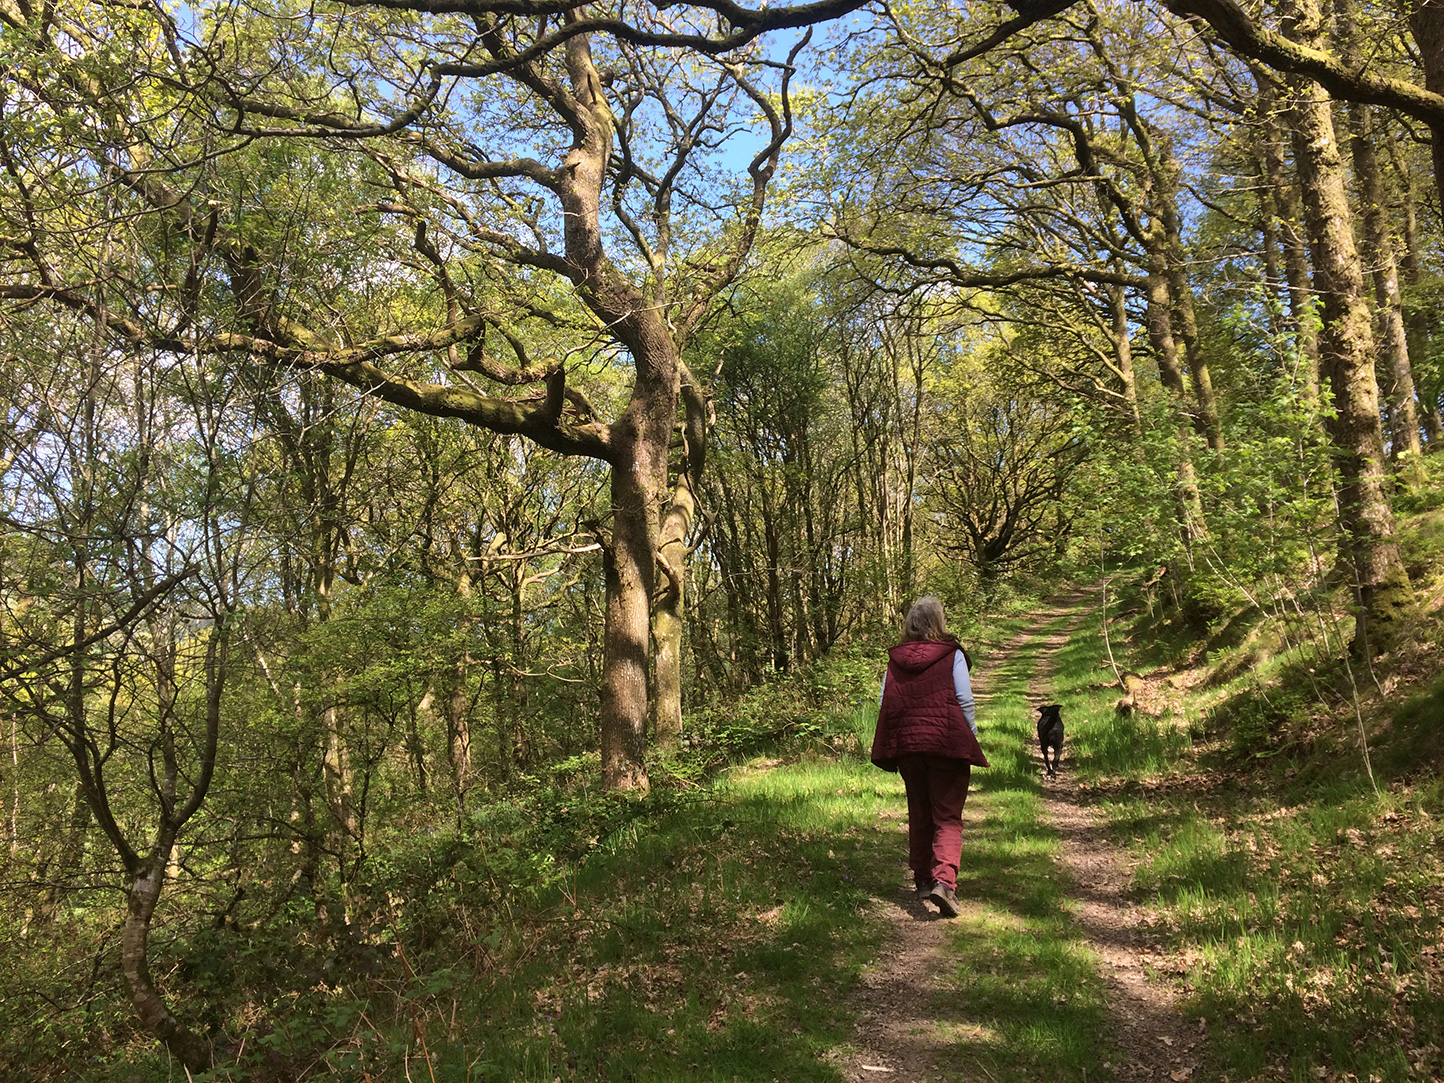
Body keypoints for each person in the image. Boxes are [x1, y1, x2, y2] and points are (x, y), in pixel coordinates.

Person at [870, 596, 987, 918]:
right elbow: (964, 698)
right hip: (946, 745)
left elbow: (886, 701)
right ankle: (944, 883)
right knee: (947, 817)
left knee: (920, 813)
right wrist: (971, 736)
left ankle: (923, 880)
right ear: (939, 622)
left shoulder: (895, 659)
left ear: (910, 624)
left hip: (909, 747)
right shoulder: (952, 655)